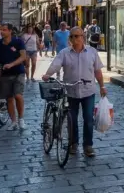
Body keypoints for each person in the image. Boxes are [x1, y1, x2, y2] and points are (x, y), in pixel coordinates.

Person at [42, 26, 107, 158]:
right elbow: (56, 64)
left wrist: (102, 86)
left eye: (77, 36)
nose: (74, 39)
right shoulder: (65, 53)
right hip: (71, 91)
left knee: (88, 119)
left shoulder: (92, 52)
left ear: (83, 37)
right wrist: (47, 74)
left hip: (88, 91)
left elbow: (97, 72)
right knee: (72, 119)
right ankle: (73, 143)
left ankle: (88, 145)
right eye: (71, 36)